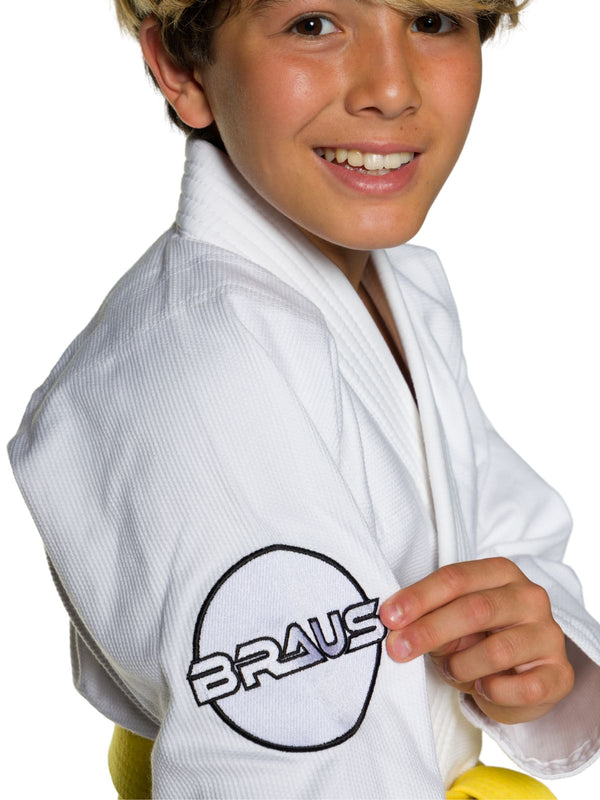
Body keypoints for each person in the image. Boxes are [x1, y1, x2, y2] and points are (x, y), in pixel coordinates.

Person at [7, 0, 600, 797]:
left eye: (432, 20)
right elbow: (295, 763)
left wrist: (533, 644)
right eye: (314, 24)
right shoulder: (201, 381)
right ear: (182, 69)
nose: (392, 89)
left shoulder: (396, 283)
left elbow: (509, 535)